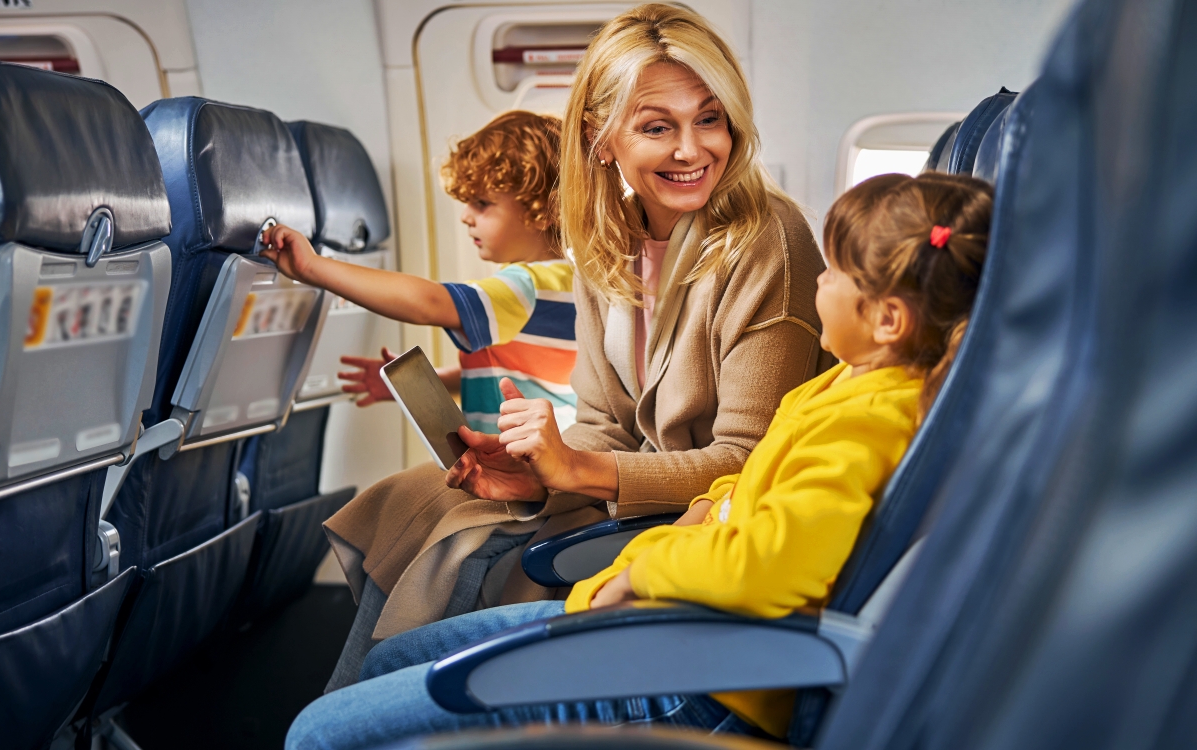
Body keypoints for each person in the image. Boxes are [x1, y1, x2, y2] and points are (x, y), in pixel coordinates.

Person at [285, 170, 995, 750]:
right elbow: (756, 483)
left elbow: (774, 567)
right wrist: (710, 506)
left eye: (836, 275)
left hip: (701, 678)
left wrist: (647, 567)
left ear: (889, 321)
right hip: (674, 627)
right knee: (389, 660)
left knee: (320, 734)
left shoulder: (872, 419)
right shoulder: (840, 383)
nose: (818, 283)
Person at [317, 3, 829, 691]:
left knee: (466, 541)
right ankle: (366, 707)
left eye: (710, 118)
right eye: (657, 127)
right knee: (420, 494)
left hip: (702, 518)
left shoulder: (768, 237)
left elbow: (747, 460)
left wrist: (576, 470)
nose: (693, 149)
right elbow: (607, 423)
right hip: (638, 493)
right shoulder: (605, 238)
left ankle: (390, 710)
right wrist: (537, 470)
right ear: (602, 138)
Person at [260, 110, 574, 433]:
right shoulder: (565, 281)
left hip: (522, 467)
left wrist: (311, 267)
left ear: (542, 211)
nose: (466, 216)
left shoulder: (524, 287)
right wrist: (413, 385)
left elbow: (428, 302)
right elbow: (510, 374)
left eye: (481, 203)